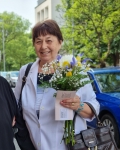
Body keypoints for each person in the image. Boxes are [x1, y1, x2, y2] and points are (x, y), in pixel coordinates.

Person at [14, 19, 100, 150]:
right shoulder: (25, 72)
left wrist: (79, 106)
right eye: (38, 41)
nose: (43, 46)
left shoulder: (74, 70)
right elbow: (16, 105)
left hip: (70, 146)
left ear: (60, 43)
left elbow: (94, 108)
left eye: (49, 40)